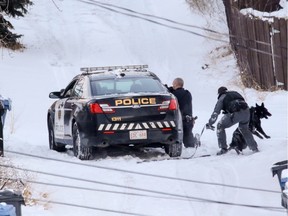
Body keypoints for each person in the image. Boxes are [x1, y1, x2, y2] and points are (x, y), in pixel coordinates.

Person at [206, 86, 259, 155]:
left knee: (220, 125)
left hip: (236, 113)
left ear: (219, 93)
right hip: (247, 112)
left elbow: (216, 112)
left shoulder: (222, 98)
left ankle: (223, 148)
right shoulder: (235, 93)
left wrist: (210, 123)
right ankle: (254, 148)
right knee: (244, 129)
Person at [167, 78, 196, 148]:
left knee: (178, 137)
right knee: (188, 139)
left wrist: (168, 89)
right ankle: (195, 144)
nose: (172, 85)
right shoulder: (187, 93)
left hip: (181, 119)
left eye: (173, 83)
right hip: (189, 119)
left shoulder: (174, 94)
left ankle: (192, 148)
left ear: (176, 84)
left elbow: (172, 95)